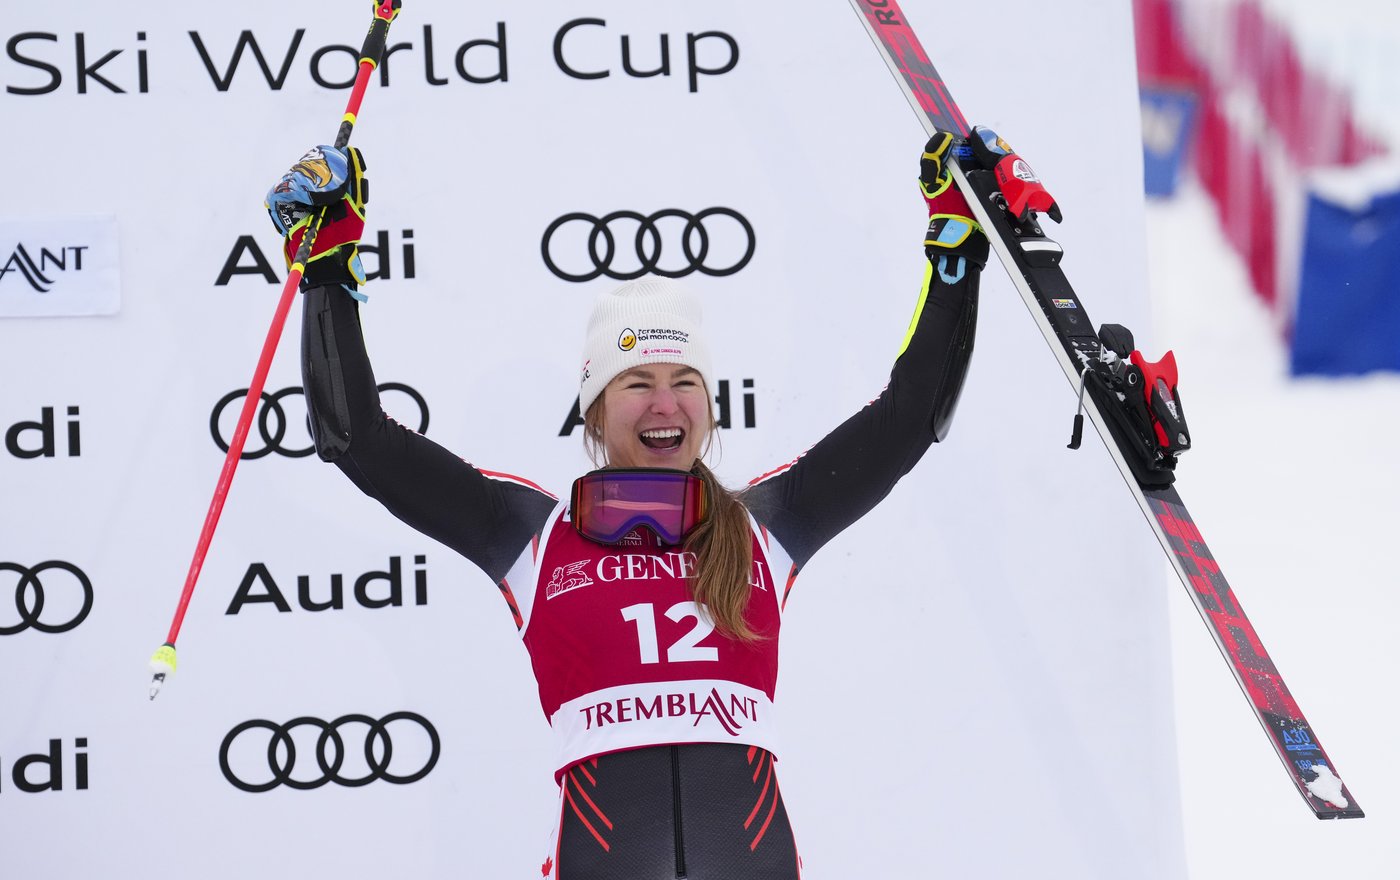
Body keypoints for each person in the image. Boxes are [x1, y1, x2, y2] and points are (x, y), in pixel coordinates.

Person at [266, 131, 990, 878]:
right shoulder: (529, 536)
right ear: (595, 411)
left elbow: (910, 418)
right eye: (636, 383)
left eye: (685, 381)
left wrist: (955, 249)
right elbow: (358, 440)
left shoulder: (766, 527)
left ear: (710, 406)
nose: (664, 403)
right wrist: (326, 270)